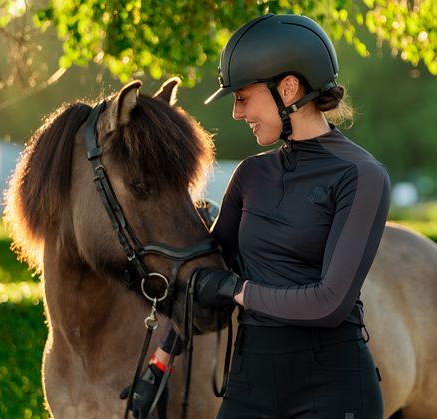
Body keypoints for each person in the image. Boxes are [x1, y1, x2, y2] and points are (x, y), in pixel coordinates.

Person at [124, 13, 390, 419]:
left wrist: (238, 290)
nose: (236, 113)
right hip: (251, 380)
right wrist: (160, 363)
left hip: (333, 387)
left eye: (243, 97)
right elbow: (205, 276)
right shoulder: (251, 174)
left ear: (288, 88)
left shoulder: (360, 175)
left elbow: (329, 303)